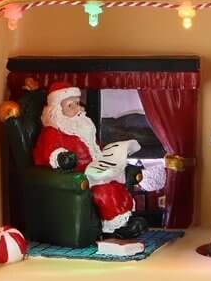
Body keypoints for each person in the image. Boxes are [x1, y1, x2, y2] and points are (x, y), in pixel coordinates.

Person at [32, 82, 147, 238]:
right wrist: (62, 158)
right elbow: (47, 152)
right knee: (103, 190)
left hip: (96, 169)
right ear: (57, 110)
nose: (77, 109)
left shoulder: (84, 128)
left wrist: (111, 155)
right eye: (70, 105)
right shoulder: (52, 132)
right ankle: (115, 227)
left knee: (115, 183)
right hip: (78, 176)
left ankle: (125, 219)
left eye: (77, 103)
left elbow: (94, 148)